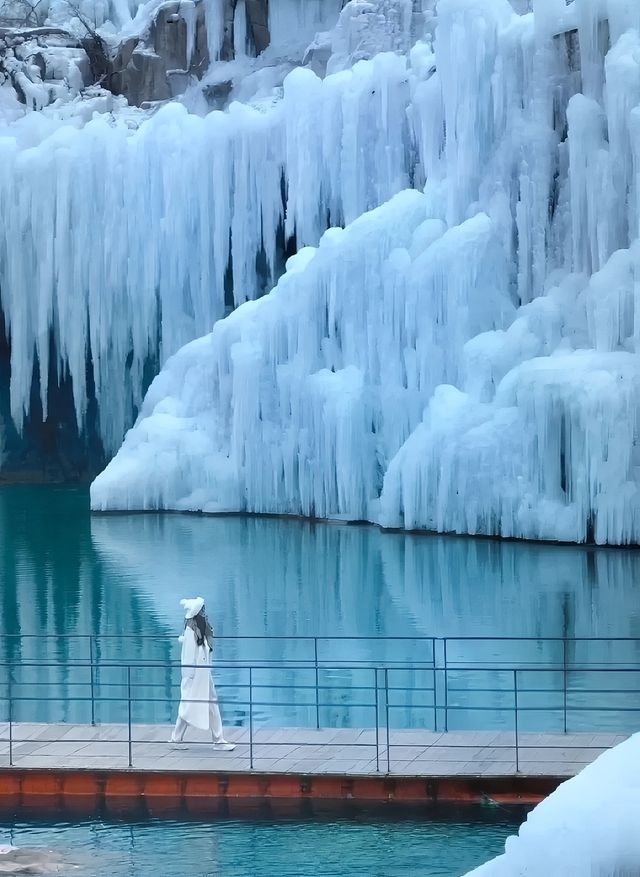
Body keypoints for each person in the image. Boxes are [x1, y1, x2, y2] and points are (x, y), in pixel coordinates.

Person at [170, 597, 235, 751]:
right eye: (203, 611)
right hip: (195, 675)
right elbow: (188, 656)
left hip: (203, 674)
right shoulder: (192, 630)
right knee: (189, 704)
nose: (205, 613)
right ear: (198, 613)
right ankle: (177, 738)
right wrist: (188, 676)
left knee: (208, 702)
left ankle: (217, 739)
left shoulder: (201, 629)